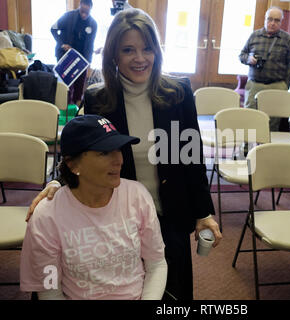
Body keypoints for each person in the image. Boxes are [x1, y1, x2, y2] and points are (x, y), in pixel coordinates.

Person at [27, 8, 222, 300]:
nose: (140, 58)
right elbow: (83, 149)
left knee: (173, 291)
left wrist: (204, 212)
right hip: (118, 216)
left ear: (157, 51)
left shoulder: (178, 91)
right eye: (128, 49)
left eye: (147, 49)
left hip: (171, 210)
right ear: (114, 55)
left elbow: (191, 157)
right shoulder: (98, 98)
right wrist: (59, 182)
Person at [20, 114, 168, 300]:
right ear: (73, 164)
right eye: (104, 152)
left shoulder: (137, 196)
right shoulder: (46, 216)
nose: (118, 160)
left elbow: (156, 264)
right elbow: (50, 290)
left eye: (118, 149)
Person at [239, 6, 290, 131]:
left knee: (272, 122)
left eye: (277, 20)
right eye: (270, 19)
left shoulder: (287, 39)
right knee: (249, 118)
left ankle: (268, 149)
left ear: (281, 22)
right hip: (255, 85)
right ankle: (247, 150)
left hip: (277, 86)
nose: (272, 23)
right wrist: (248, 59)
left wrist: (285, 85)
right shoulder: (254, 36)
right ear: (265, 20)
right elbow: (241, 55)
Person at [51, 0, 97, 106]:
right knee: (66, 87)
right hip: (65, 56)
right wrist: (62, 44)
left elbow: (90, 44)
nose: (84, 14)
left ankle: (76, 110)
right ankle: (63, 108)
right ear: (80, 6)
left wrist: (88, 62)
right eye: (82, 11)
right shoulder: (68, 16)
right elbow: (53, 29)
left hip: (81, 59)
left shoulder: (93, 23)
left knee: (79, 87)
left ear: (91, 9)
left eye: (87, 12)